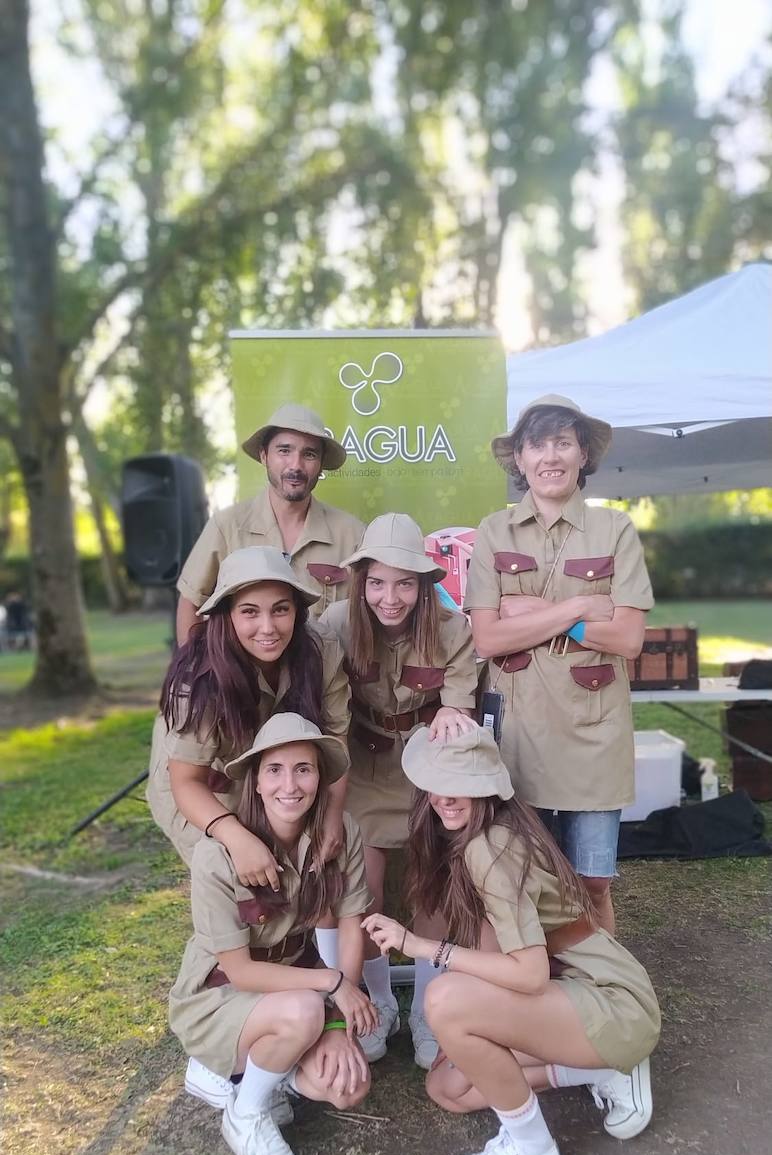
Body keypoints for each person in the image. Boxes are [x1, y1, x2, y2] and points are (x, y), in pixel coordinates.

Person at [363, 724, 660, 1155]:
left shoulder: (491, 849)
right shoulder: (476, 841)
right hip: (575, 1000)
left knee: (444, 998)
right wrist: (467, 1024)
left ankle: (532, 1154)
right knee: (449, 1087)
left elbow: (528, 974)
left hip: (611, 1001)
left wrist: (423, 948)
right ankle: (603, 1070)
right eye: (438, 781)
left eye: (463, 781)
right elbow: (492, 953)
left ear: (488, 785)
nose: (446, 797)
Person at [464, 394, 653, 935]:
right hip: (518, 737)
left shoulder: (614, 530)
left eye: (563, 442)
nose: (551, 456)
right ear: (520, 459)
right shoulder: (494, 532)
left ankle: (607, 995)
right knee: (521, 878)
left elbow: (629, 638)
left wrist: (543, 617)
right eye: (538, 443)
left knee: (592, 882)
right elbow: (489, 635)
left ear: (583, 454)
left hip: (594, 736)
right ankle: (535, 989)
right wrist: (575, 608)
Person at [169, 714, 377, 1155]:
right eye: (275, 770)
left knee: (348, 1087)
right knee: (303, 1012)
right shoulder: (218, 854)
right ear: (257, 783)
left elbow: (350, 928)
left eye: (303, 768)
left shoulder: (341, 834)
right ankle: (246, 1114)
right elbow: (240, 973)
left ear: (320, 777)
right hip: (220, 998)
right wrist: (333, 985)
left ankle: (251, 1073)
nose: (290, 784)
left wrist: (340, 1028)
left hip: (292, 986)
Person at [320, 513, 478, 1065]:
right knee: (364, 890)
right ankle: (382, 1000)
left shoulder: (452, 629)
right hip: (360, 769)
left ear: (425, 584)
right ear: (360, 580)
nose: (391, 597)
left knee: (432, 885)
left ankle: (427, 1006)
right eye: (379, 582)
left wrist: (452, 714)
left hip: (425, 769)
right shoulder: (334, 625)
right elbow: (327, 718)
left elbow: (459, 706)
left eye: (405, 583)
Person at [147, 546, 351, 888]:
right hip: (208, 787)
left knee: (307, 875)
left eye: (280, 610)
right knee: (240, 885)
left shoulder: (322, 648)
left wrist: (331, 815)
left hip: (277, 778)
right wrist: (236, 837)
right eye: (250, 612)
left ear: (297, 612)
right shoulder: (200, 677)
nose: (268, 627)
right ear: (227, 615)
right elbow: (186, 781)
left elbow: (336, 739)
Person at [175, 403, 364, 643]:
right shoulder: (227, 526)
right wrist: (190, 673)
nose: (295, 465)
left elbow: (371, 615)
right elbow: (191, 601)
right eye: (284, 451)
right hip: (244, 679)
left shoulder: (352, 534)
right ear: (264, 456)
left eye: (309, 454)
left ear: (321, 463)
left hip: (327, 677)